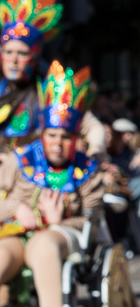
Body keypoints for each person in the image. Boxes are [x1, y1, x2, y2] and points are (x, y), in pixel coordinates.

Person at [0, 62, 105, 307]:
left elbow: (93, 224)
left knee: (44, 245)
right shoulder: (19, 160)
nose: (58, 143)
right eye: (52, 135)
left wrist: (59, 222)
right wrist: (16, 208)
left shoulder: (86, 170)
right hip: (15, 234)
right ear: (42, 134)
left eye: (66, 137)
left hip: (61, 237)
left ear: (75, 138)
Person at [0, 0, 106, 157]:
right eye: (9, 52)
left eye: (22, 53)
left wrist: (95, 150)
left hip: (35, 176)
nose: (14, 60)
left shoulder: (51, 90)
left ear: (35, 56)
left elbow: (91, 126)